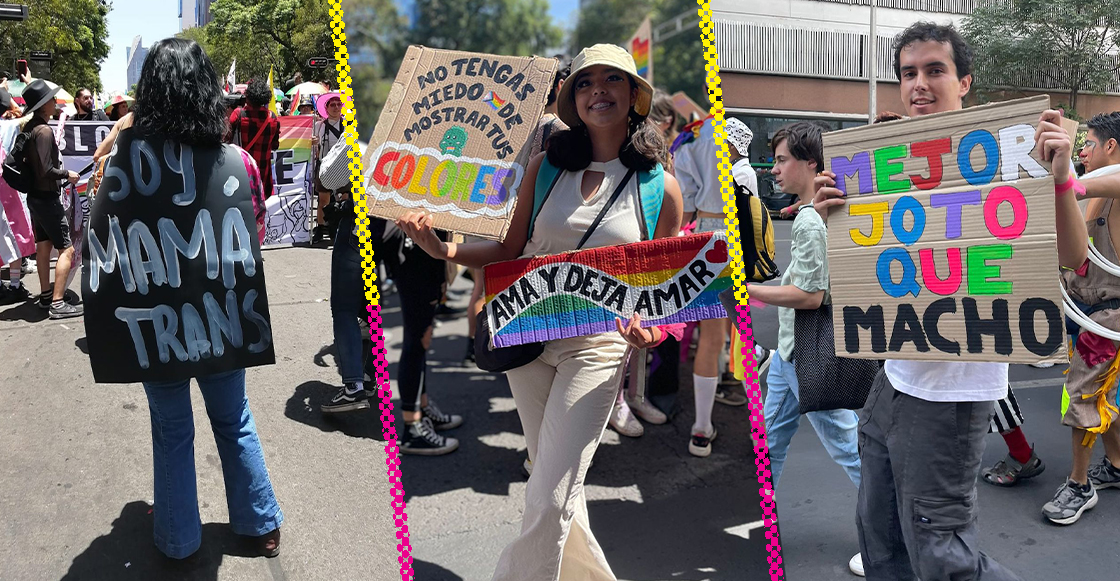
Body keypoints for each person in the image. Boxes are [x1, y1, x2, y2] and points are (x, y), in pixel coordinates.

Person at [398, 43, 683, 581]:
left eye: (611, 80)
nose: (597, 89)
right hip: (526, 336)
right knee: (554, 483)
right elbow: (509, 250)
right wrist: (444, 251)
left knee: (550, 493)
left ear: (634, 96)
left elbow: (661, 285)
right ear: (571, 98)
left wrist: (656, 331)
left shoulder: (659, 187)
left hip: (598, 348)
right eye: (584, 81)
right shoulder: (544, 168)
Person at [813, 22, 1086, 580]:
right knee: (881, 532)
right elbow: (866, 272)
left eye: (934, 70)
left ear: (964, 82)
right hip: (891, 378)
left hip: (954, 392)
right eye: (908, 73)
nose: (919, 83)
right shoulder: (881, 163)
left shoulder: (1018, 156)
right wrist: (833, 218)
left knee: (942, 552)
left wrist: (1058, 178)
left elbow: (1073, 254)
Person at [96, 36, 281, 560]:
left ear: (149, 93)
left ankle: (178, 540)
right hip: (223, 316)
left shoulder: (121, 168)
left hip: (155, 324)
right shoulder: (238, 162)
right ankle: (259, 524)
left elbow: (103, 247)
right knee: (234, 418)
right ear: (207, 92)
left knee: (171, 429)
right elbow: (255, 233)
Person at [742, 121, 864, 575]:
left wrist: (752, 291)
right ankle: (761, 524)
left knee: (849, 448)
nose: (773, 169)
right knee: (769, 442)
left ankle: (889, 530)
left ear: (811, 163)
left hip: (807, 358)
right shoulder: (815, 211)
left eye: (781, 159)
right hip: (790, 356)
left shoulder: (812, 219)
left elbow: (812, 296)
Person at [674, 110, 771, 457]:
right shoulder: (743, 171)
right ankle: (758, 433)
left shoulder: (690, 138)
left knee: (711, 337)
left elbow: (684, 206)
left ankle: (701, 428)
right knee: (740, 338)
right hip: (733, 244)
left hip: (702, 240)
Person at [1039, 110, 1120, 524]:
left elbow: (1086, 183)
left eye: (1088, 145)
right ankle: (1118, 465)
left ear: (1111, 146)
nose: (1083, 152)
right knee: (1101, 395)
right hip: (1083, 310)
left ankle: (1078, 484)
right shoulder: (1083, 195)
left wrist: (1067, 181)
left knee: (1083, 394)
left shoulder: (1110, 185)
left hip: (1109, 318)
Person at [18, 79, 83, 319]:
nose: (56, 102)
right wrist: (68, 174)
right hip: (47, 198)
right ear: (44, 105)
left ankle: (46, 295)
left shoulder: (31, 129)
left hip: (35, 198)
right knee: (66, 250)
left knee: (43, 247)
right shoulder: (44, 131)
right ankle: (57, 302)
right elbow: (46, 169)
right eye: (52, 99)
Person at [226, 78, 280, 200]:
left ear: (248, 96)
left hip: (240, 173)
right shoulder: (272, 118)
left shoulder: (238, 114)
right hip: (262, 176)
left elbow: (226, 140)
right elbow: (275, 145)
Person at [312, 92, 344, 244]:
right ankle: (320, 227)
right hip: (324, 166)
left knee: (345, 199)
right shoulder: (319, 126)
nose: (336, 107)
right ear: (326, 108)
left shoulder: (349, 125)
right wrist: (313, 143)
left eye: (339, 104)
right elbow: (314, 149)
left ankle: (342, 228)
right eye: (333, 104)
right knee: (323, 200)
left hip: (344, 167)